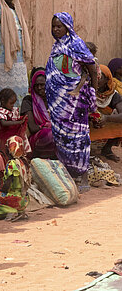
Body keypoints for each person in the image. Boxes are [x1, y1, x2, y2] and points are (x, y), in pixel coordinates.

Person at [45, 12, 98, 192]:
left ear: (67, 27)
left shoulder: (76, 44)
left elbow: (91, 65)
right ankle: (67, 175)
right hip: (58, 102)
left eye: (59, 26)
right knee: (61, 137)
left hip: (75, 102)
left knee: (79, 136)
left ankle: (83, 176)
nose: (56, 29)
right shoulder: (56, 46)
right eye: (53, 26)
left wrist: (93, 90)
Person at [0, 136, 30, 221]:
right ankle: (20, 211)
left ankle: (10, 210)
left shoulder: (12, 164)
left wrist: (2, 191)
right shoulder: (24, 162)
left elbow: (8, 183)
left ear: (9, 149)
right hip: (25, 198)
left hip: (15, 198)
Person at [20, 67, 56, 159]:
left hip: (55, 134)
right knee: (50, 135)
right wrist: (47, 126)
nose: (39, 88)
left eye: (42, 84)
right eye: (36, 85)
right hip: (37, 139)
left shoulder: (55, 99)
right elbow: (32, 128)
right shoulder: (28, 101)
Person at [90, 65, 122, 162]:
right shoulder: (88, 91)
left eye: (100, 77)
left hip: (102, 120)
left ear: (107, 80)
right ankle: (86, 151)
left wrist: (106, 118)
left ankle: (107, 149)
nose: (97, 79)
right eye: (95, 76)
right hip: (88, 120)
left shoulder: (113, 94)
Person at [0, 88, 31, 155]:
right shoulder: (0, 111)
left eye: (13, 103)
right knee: (7, 153)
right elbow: (4, 123)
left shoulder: (14, 110)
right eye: (11, 103)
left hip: (15, 136)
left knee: (17, 152)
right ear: (3, 101)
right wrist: (19, 122)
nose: (12, 105)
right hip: (5, 138)